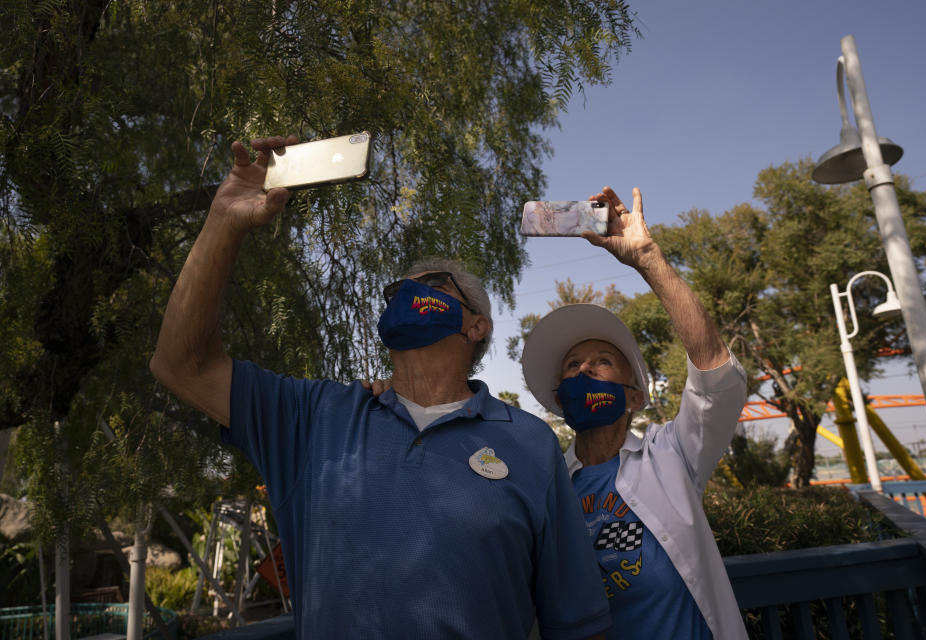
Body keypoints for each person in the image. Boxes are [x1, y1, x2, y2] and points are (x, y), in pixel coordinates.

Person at [149, 136, 611, 639]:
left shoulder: (530, 443)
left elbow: (576, 623)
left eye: (431, 285)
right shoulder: (314, 417)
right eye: (398, 292)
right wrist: (224, 220)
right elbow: (182, 365)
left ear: (477, 326)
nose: (408, 296)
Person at [520, 186, 749, 639]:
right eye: (573, 365)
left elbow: (716, 379)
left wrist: (648, 259)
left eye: (602, 361)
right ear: (561, 398)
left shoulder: (671, 456)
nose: (584, 367)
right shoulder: (544, 488)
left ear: (634, 397)